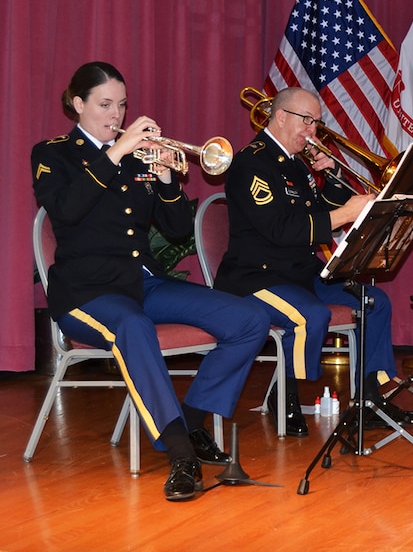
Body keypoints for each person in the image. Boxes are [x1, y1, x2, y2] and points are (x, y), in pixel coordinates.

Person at [31, 62, 271, 502]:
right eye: (105, 105)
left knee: (249, 318)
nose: (116, 115)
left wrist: (165, 179)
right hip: (86, 293)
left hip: (142, 284)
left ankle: (191, 421)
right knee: (133, 327)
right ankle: (181, 455)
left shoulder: (135, 157)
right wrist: (115, 152)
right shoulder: (53, 154)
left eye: (121, 105)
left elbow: (178, 227)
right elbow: (65, 210)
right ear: (78, 104)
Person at [215, 87, 402, 437]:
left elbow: (316, 216)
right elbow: (282, 230)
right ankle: (281, 395)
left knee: (375, 302)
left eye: (315, 123)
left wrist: (331, 180)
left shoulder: (294, 165)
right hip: (257, 277)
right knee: (311, 315)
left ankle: (369, 398)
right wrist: (345, 212)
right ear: (281, 116)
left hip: (301, 272)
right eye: (307, 121)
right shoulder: (251, 162)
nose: (312, 131)